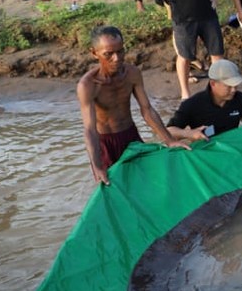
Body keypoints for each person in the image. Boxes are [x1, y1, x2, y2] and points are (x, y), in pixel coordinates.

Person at [77, 26, 188, 185]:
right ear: (94, 53)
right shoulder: (88, 85)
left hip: (130, 136)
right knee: (113, 187)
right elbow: (90, 129)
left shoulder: (132, 73)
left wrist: (169, 140)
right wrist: (97, 166)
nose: (117, 58)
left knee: (147, 180)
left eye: (120, 51)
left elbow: (147, 110)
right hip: (105, 143)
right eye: (108, 54)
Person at [167, 59, 242, 141]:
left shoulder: (240, 99)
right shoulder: (192, 105)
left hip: (231, 147)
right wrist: (188, 133)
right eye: (228, 86)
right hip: (205, 150)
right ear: (213, 83)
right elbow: (169, 131)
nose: (233, 90)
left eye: (235, 85)